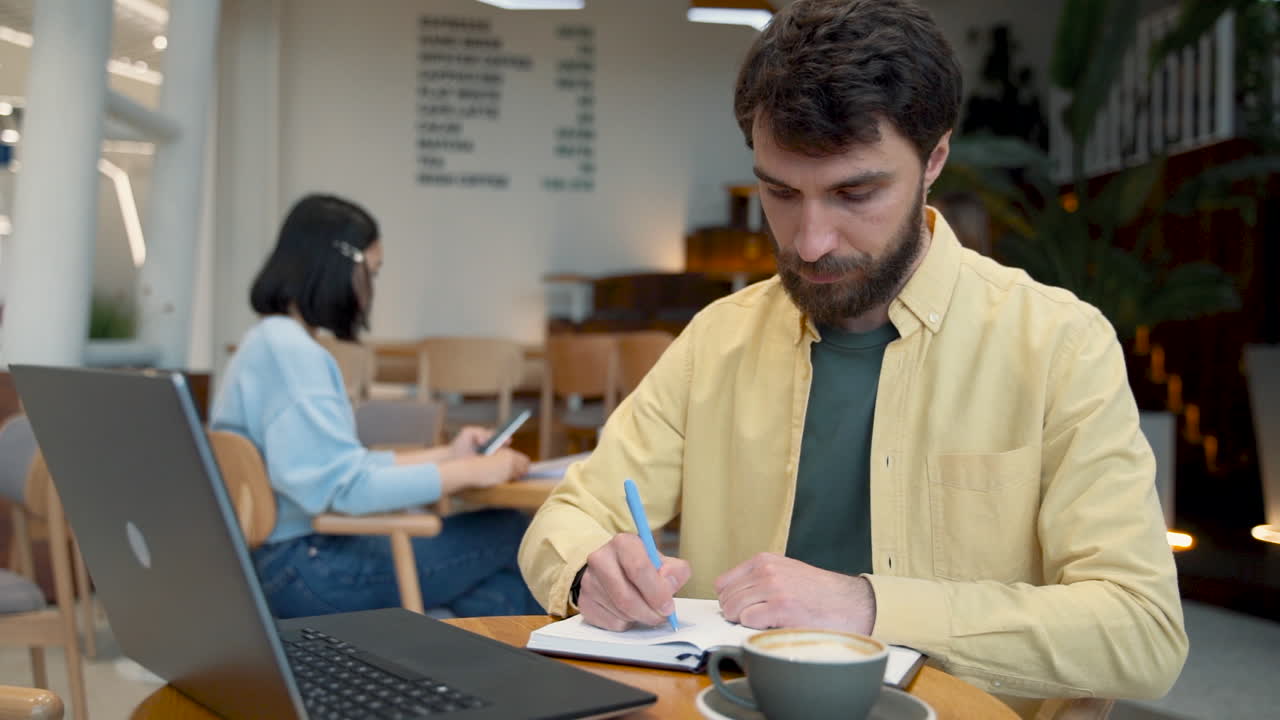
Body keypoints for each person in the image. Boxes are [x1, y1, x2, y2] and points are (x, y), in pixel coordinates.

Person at [517, 0, 1187, 715]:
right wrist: (592, 567)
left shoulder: (1058, 345)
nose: (809, 242)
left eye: (855, 193)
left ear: (934, 159)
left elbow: (1141, 632)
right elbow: (569, 515)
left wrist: (869, 607)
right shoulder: (718, 339)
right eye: (778, 192)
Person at [213, 193, 543, 619]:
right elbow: (345, 489)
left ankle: (462, 666)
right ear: (341, 266)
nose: (369, 290)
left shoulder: (266, 343)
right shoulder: (295, 355)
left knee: (491, 588)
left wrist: (447, 454)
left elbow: (340, 466)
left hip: (281, 563)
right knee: (511, 530)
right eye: (371, 272)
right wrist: (468, 472)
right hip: (310, 568)